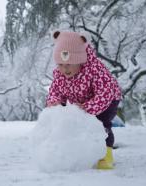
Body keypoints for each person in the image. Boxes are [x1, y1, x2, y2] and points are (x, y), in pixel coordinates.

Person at [45, 31, 122, 170]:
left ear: (79, 60)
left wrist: (88, 107)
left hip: (108, 100)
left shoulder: (95, 70)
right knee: (74, 121)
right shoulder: (59, 74)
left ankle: (106, 155)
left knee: (101, 124)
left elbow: (105, 93)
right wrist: (55, 101)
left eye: (68, 64)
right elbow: (55, 90)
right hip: (82, 102)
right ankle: (82, 151)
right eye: (60, 64)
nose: (64, 69)